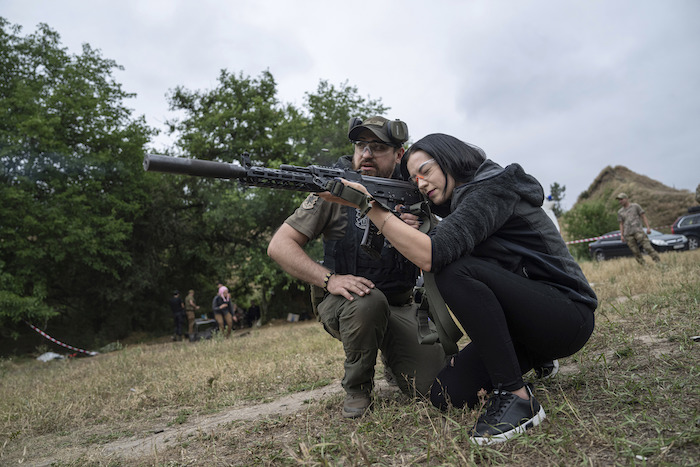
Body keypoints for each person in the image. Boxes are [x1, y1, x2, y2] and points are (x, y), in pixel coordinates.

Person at [320, 133, 597, 444]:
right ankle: (537, 358)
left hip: (568, 315)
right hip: (530, 325)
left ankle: (517, 397)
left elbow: (432, 256)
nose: (421, 183)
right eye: (414, 178)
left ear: (450, 159)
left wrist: (367, 205)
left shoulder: (492, 188)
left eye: (425, 170)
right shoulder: (461, 205)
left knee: (451, 268)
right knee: (446, 394)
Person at [267, 116, 446, 419]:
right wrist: (330, 279)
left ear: (398, 155)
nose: (366, 154)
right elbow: (279, 246)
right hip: (347, 303)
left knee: (436, 388)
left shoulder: (414, 193)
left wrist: (423, 229)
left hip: (402, 306)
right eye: (361, 146)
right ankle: (358, 387)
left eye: (377, 147)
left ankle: (393, 358)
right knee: (368, 300)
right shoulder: (334, 192)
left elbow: (443, 248)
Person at [616, 192, 661, 265]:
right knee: (635, 251)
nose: (620, 201)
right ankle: (644, 265)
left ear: (626, 199)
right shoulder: (620, 212)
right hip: (628, 234)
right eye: (619, 200)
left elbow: (643, 216)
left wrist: (648, 227)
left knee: (648, 247)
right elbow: (621, 224)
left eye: (621, 199)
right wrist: (622, 235)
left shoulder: (635, 206)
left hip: (638, 231)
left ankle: (658, 262)